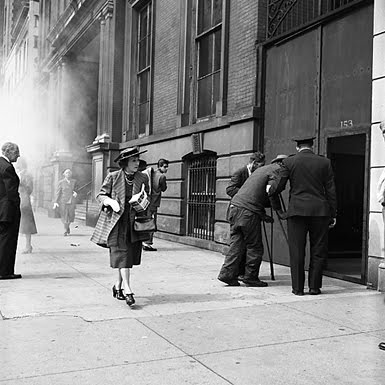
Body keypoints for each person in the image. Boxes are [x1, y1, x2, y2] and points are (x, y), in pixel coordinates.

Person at [268, 136, 337, 296]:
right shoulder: (324, 162)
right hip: (320, 212)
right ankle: (314, 287)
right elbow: (331, 191)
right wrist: (333, 213)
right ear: (312, 146)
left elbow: (277, 187)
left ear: (298, 147)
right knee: (318, 250)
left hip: (297, 212)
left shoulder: (289, 162)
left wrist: (272, 197)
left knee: (297, 250)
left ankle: (297, 288)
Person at [91, 147, 150, 307]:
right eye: (134, 160)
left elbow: (148, 197)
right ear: (125, 163)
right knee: (123, 256)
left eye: (138, 160)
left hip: (134, 223)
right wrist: (111, 202)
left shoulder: (142, 177)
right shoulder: (113, 177)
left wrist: (141, 201)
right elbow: (101, 195)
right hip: (117, 223)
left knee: (126, 257)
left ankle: (117, 287)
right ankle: (128, 290)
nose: (137, 163)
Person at [218, 155, 287, 287]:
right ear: (282, 163)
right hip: (247, 212)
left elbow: (254, 196)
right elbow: (271, 191)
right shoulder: (278, 170)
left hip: (235, 209)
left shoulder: (262, 170)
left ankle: (227, 274)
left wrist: (264, 216)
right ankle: (250, 277)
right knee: (254, 246)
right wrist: (279, 211)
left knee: (236, 245)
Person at [225, 151, 266, 280]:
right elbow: (230, 189)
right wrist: (247, 193)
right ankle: (240, 273)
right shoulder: (240, 172)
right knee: (242, 244)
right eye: (260, 165)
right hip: (240, 211)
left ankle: (239, 273)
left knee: (242, 244)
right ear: (254, 163)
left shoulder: (257, 174)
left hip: (250, 211)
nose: (262, 168)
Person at [0, 142, 22, 279]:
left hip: (2, 211)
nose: (19, 155)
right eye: (16, 152)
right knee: (7, 242)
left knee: (3, 241)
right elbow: (11, 192)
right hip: (8, 212)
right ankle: (5, 272)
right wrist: (17, 205)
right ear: (8, 152)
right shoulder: (7, 167)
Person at [142, 158, 169, 252]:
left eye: (167, 167)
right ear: (160, 166)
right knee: (152, 223)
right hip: (154, 202)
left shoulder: (151, 173)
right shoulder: (162, 177)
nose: (166, 169)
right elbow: (164, 188)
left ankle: (144, 241)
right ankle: (147, 243)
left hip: (147, 201)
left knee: (146, 221)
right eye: (165, 167)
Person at [16, 157, 37, 254]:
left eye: (18, 163)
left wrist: (20, 184)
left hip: (24, 202)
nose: (17, 165)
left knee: (26, 225)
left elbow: (29, 189)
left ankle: (28, 246)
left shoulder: (27, 175)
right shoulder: (17, 174)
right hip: (16, 201)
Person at [53, 169, 78, 236]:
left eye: (69, 172)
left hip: (71, 201)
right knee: (64, 216)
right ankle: (65, 229)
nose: (68, 174)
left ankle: (67, 227)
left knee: (71, 216)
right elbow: (58, 193)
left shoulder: (74, 182)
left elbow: (77, 189)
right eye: (66, 173)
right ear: (64, 174)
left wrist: (76, 193)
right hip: (63, 201)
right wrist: (55, 201)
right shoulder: (61, 182)